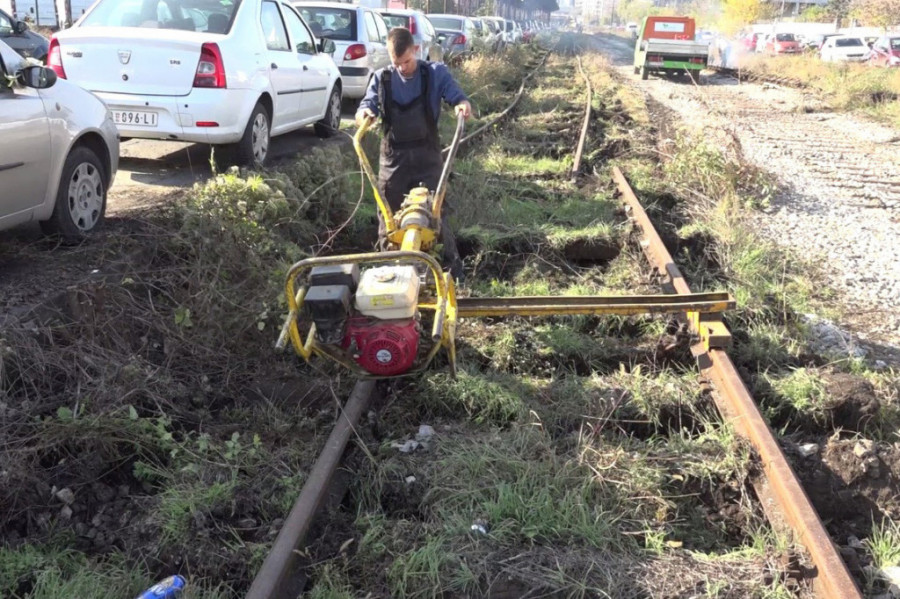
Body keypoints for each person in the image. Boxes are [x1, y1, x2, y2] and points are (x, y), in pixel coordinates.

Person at [355, 27, 472, 281]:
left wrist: (462, 104)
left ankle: (451, 273)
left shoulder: (434, 74)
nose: (402, 68)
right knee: (388, 218)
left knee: (437, 214)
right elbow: (367, 103)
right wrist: (364, 114)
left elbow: (456, 94)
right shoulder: (382, 78)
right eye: (397, 63)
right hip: (393, 159)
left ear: (415, 51)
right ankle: (388, 272)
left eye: (406, 61)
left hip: (426, 156)